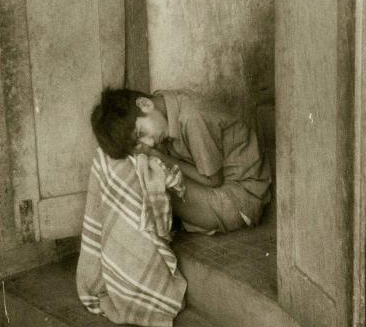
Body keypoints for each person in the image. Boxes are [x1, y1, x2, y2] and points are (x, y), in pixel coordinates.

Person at [90, 88, 272, 234]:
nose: (149, 142)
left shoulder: (192, 118)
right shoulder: (163, 102)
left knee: (143, 182)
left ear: (145, 104)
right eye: (139, 142)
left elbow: (215, 181)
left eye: (141, 133)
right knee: (133, 166)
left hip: (240, 200)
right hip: (218, 188)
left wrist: (161, 157)